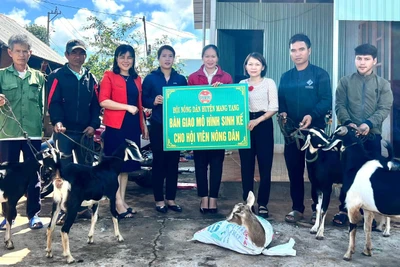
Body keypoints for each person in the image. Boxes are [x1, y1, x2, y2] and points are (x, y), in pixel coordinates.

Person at [333, 43, 393, 226]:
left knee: (371, 176)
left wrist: (368, 123)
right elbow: (339, 105)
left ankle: (370, 215)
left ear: (374, 61)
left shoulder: (383, 85)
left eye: (367, 59)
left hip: (372, 137)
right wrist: (348, 123)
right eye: (359, 58)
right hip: (351, 139)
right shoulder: (345, 82)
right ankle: (345, 210)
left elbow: (384, 108)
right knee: (348, 174)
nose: (362, 62)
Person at [278, 33, 332, 223]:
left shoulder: (320, 75)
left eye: (301, 49)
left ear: (309, 50)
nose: (298, 53)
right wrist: (283, 114)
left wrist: (312, 115)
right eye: (293, 50)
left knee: (316, 173)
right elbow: (281, 102)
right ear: (290, 53)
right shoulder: (286, 77)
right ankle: (297, 209)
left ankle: (317, 209)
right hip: (293, 135)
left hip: (315, 134)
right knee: (294, 172)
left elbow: (326, 101)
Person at [47, 39, 101, 223]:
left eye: (81, 53)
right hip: (64, 132)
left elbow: (96, 105)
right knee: (64, 172)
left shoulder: (91, 78)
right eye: (74, 53)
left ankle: (85, 208)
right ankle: (64, 209)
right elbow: (52, 102)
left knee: (87, 171)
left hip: (85, 132)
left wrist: (94, 125)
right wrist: (57, 121)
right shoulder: (57, 76)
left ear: (85, 56)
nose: (78, 57)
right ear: (67, 55)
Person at [0, 34, 45, 229]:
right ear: (10, 53)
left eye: (25, 51)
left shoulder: (39, 77)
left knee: (33, 175)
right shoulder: (1, 75)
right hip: (7, 133)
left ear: (30, 53)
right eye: (17, 51)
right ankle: (8, 216)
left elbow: (43, 106)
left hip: (32, 133)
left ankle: (33, 215)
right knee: (6, 176)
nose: (21, 54)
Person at [99, 44, 148, 219]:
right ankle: (117, 203)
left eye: (129, 57)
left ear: (134, 59)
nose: (125, 61)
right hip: (116, 127)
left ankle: (122, 201)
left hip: (132, 126)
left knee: (126, 167)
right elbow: (103, 101)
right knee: (115, 167)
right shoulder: (109, 76)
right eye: (122, 57)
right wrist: (126, 107)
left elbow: (140, 104)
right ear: (116, 59)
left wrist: (144, 126)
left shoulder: (137, 79)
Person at [188, 44, 233, 214]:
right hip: (199, 129)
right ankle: (203, 198)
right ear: (202, 58)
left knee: (216, 165)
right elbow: (188, 102)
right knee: (200, 165)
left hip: (218, 130)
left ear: (218, 58)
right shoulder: (193, 77)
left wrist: (222, 91)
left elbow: (231, 101)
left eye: (213, 56)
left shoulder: (226, 77)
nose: (210, 59)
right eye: (207, 56)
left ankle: (213, 199)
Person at [142, 45, 187, 213]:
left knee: (173, 164)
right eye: (164, 56)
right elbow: (143, 100)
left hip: (175, 128)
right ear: (159, 58)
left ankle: (171, 199)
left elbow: (186, 101)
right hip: (158, 125)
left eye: (170, 56)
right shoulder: (151, 78)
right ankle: (159, 200)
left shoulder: (181, 79)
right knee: (159, 163)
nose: (167, 59)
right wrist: (153, 101)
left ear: (174, 59)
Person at [238, 52, 278, 218]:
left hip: (263, 125)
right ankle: (248, 203)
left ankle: (263, 203)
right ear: (245, 66)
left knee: (265, 166)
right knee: (246, 167)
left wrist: (258, 121)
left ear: (263, 67)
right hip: (245, 125)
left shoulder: (269, 83)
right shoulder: (241, 84)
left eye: (257, 64)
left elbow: (273, 107)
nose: (253, 67)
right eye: (250, 64)